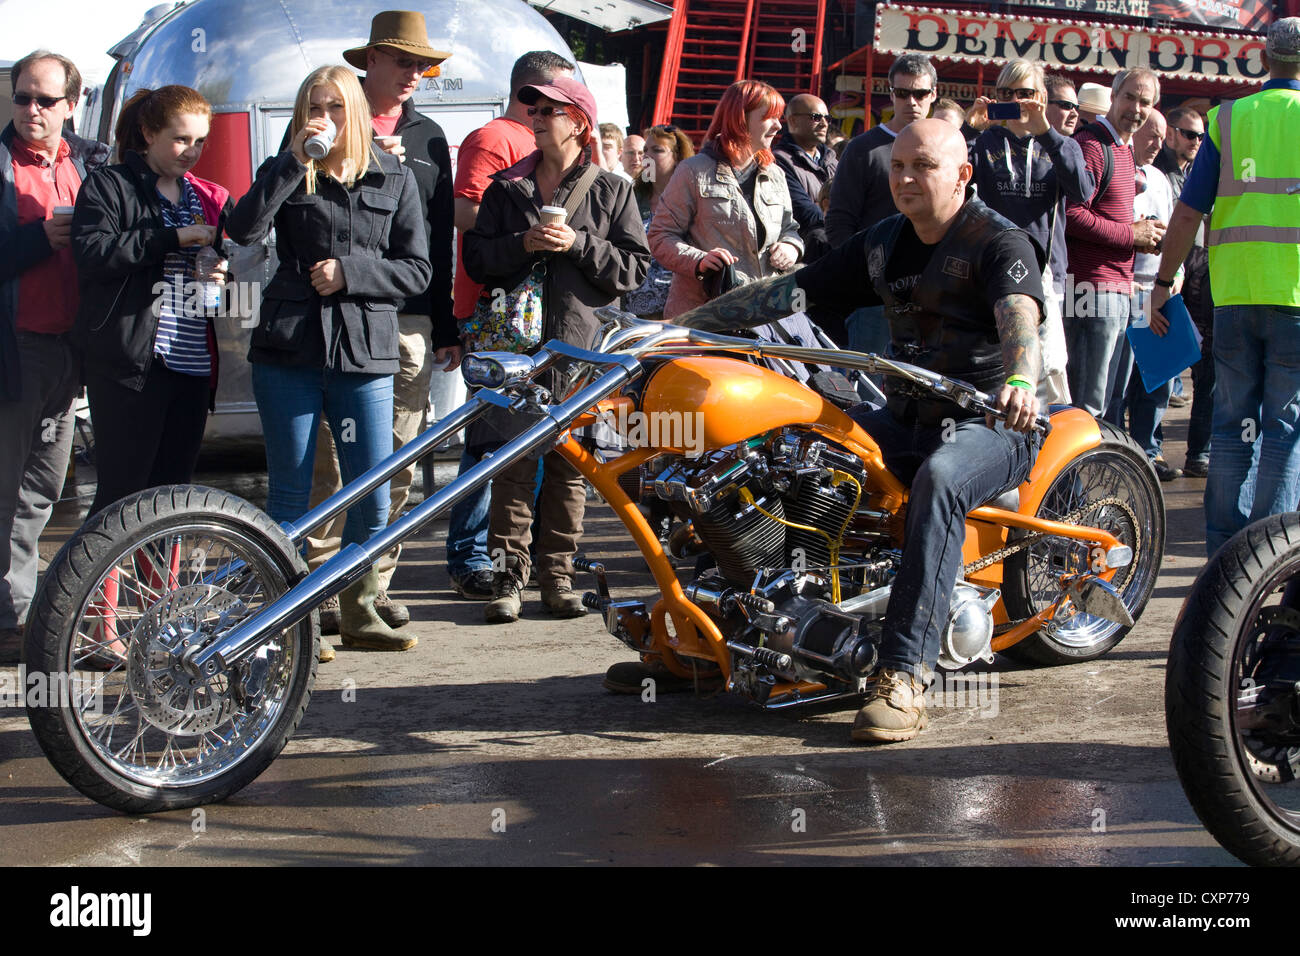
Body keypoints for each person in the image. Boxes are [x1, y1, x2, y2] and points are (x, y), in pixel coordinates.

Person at [607, 120, 1046, 744]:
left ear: (962, 174)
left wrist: (1022, 382)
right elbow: (788, 292)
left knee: (942, 477)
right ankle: (712, 636)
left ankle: (904, 671)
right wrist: (684, 330)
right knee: (786, 453)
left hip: (992, 421)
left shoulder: (997, 242)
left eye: (921, 166)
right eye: (897, 167)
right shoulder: (885, 243)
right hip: (902, 418)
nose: (905, 178)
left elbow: (1019, 317)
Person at [226, 65, 430, 653]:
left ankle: (361, 609)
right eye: (314, 106)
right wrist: (291, 163)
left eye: (336, 107)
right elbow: (241, 229)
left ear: (357, 113)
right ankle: (291, 622)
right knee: (291, 495)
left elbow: (416, 270)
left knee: (372, 489)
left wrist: (351, 273)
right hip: (288, 348)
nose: (324, 118)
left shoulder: (394, 175)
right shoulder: (288, 168)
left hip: (364, 348)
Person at [463, 75, 648, 623]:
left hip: (580, 348)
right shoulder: (504, 189)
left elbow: (634, 271)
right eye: (533, 108)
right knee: (511, 465)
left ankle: (557, 578)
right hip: (514, 351)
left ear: (580, 122)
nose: (538, 115)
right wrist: (522, 243)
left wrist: (580, 245)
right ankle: (506, 580)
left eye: (550, 108)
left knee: (570, 466)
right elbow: (476, 261)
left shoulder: (613, 190)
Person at [306, 10, 458, 639]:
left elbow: (440, 236)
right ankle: (312, 595)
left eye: (422, 67)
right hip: (337, 317)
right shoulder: (328, 123)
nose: (415, 76)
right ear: (369, 61)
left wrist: (448, 321)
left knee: (395, 460)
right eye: (403, 63)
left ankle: (370, 592)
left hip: (410, 318)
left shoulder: (428, 137)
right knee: (330, 463)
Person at [1151, 17, 1300, 556]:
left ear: (1265, 59)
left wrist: (1163, 282)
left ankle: (1222, 557)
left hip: (1234, 297)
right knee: (1284, 430)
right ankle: (1267, 562)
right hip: (1295, 299)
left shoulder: (1229, 119)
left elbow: (1189, 211)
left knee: (1231, 426)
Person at [445, 51, 574, 601]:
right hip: (496, 318)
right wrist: (525, 226)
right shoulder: (492, 137)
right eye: (545, 100)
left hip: (552, 321)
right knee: (491, 442)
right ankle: (472, 555)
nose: (549, 112)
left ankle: (544, 562)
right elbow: (466, 217)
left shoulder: (580, 165)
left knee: (547, 447)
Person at [73, 86, 232, 520]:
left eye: (200, 141)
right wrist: (173, 238)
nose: (191, 151)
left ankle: (162, 588)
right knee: (122, 495)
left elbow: (230, 264)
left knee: (174, 494)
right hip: (133, 364)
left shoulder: (201, 195)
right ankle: (95, 588)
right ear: (147, 132)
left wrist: (221, 273)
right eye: (180, 139)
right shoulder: (110, 184)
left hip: (193, 362)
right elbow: (94, 254)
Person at [0, 50, 110, 664]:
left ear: (72, 104)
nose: (31, 110)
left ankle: (16, 607)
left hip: (71, 349)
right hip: (16, 346)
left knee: (41, 489)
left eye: (45, 100)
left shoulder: (90, 164)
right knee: (5, 488)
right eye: (22, 97)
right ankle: (11, 617)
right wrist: (36, 239)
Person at [966, 59, 1092, 407]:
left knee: (1050, 366)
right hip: (991, 269)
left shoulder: (1062, 144)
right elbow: (949, 182)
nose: (1017, 101)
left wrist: (1046, 132)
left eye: (1026, 93)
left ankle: (1049, 443)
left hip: (1045, 271)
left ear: (1041, 97)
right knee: (999, 364)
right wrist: (969, 130)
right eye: (1007, 93)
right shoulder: (983, 141)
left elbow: (1083, 191)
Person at [649, 79, 802, 322]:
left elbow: (790, 228)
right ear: (740, 118)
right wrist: (699, 261)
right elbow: (659, 236)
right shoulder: (693, 171)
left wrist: (791, 247)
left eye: (778, 117)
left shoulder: (776, 174)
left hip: (766, 317)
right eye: (769, 117)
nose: (777, 126)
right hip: (703, 320)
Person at [1063, 67, 1163, 419]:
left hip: (1116, 289)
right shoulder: (1091, 145)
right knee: (1085, 408)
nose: (1136, 108)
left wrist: (1141, 233)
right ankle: (1072, 476)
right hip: (1091, 289)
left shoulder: (1122, 149)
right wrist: (1131, 235)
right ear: (1113, 97)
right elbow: (1072, 214)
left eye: (1145, 102)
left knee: (1104, 407)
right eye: (1130, 97)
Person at [827, 53, 937, 359]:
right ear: (891, 94)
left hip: (936, 294)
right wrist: (866, 280)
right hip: (877, 301)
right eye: (902, 93)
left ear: (934, 94)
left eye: (920, 93)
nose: (911, 102)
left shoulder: (946, 148)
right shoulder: (863, 149)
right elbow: (839, 223)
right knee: (867, 391)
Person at [1110, 109, 1182, 481]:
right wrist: (1142, 297)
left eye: (1160, 136)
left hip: (1160, 290)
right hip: (1123, 291)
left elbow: (1173, 236)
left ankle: (1147, 453)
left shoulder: (1159, 179)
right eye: (1150, 135)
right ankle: (1114, 452)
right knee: (1118, 385)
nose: (1155, 143)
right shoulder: (1117, 172)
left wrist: (1171, 284)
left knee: (1158, 383)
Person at [1154, 105, 1212, 476]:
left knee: (1207, 368)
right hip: (1167, 273)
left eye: (1201, 137)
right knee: (1163, 362)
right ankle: (1150, 448)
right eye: (1190, 134)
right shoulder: (1157, 171)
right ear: (1171, 133)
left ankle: (1198, 453)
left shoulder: (1202, 169)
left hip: (1202, 270)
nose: (1196, 142)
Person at [625, 124, 694, 320]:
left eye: (657, 150)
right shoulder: (632, 196)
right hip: (633, 313)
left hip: (678, 312)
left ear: (677, 157)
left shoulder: (692, 199)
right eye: (645, 150)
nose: (646, 156)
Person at [772, 93, 838, 262]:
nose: (824, 123)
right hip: (806, 257)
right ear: (793, 121)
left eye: (827, 118)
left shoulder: (832, 160)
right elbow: (804, 212)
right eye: (816, 117)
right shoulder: (779, 162)